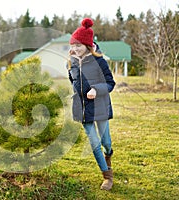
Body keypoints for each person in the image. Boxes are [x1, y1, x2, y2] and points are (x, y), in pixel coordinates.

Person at [67, 18, 116, 190]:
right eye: (73, 45)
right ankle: (107, 176)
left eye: (78, 45)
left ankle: (108, 155)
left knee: (105, 142)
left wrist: (96, 89)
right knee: (94, 143)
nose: (74, 49)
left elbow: (111, 83)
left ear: (88, 45)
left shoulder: (99, 61)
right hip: (82, 110)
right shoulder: (71, 62)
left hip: (100, 107)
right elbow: (73, 81)